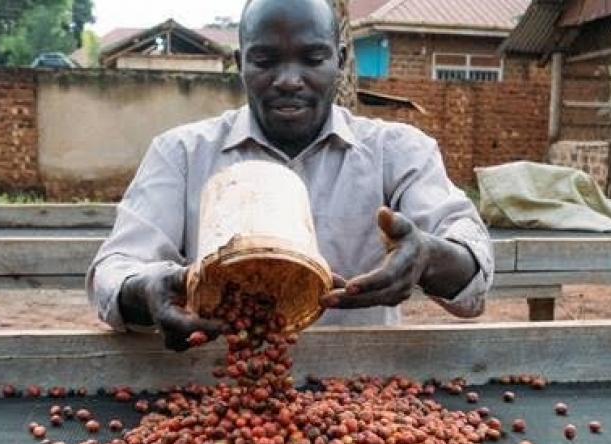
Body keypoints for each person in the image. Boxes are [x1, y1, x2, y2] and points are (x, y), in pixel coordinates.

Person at [86, 0, 494, 351]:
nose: (288, 80)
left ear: (341, 60)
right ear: (239, 63)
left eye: (313, 59)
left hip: (359, 389)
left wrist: (428, 256)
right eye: (265, 61)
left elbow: (470, 268)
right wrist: (147, 291)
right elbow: (116, 268)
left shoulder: (398, 151)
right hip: (216, 387)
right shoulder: (181, 154)